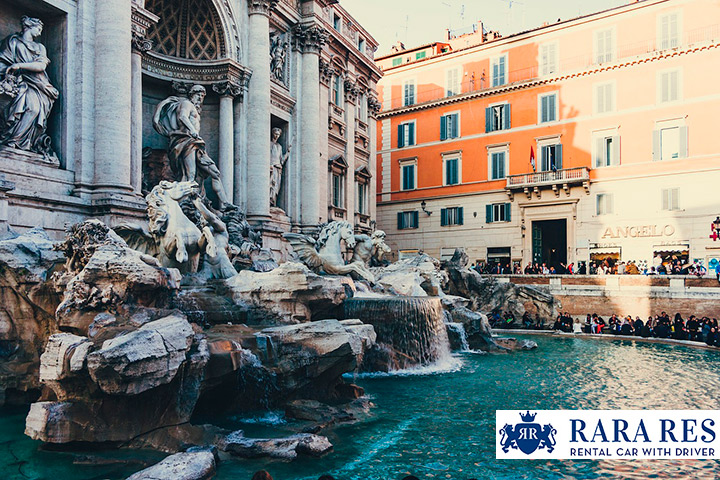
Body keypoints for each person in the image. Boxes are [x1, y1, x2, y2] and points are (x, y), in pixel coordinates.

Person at [153, 85, 234, 210]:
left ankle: (225, 205)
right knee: (190, 175)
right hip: (186, 141)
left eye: (202, 96)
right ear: (192, 95)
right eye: (198, 95)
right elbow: (182, 117)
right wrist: (192, 130)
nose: (200, 98)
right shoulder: (186, 104)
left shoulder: (196, 110)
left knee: (215, 172)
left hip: (196, 143)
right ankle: (186, 205)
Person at [0, 16, 59, 157]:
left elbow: (41, 66)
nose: (39, 32)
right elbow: (2, 61)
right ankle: (12, 142)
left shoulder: (40, 47)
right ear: (29, 27)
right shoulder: (12, 42)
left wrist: (19, 65)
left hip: (39, 84)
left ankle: (22, 143)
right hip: (19, 82)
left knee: (34, 109)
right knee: (25, 105)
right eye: (38, 28)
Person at [269, 127, 291, 207]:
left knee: (276, 187)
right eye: (275, 134)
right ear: (272, 133)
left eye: (278, 135)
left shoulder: (279, 146)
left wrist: (288, 152)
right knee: (271, 184)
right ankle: (269, 202)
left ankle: (273, 202)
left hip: (278, 169)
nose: (276, 136)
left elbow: (281, 160)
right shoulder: (269, 144)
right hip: (272, 167)